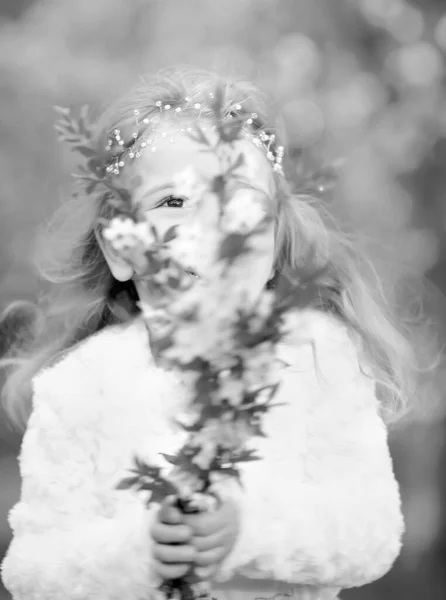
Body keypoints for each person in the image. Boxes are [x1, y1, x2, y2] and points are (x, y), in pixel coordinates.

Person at [0, 66, 421, 600]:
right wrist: (140, 552)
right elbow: (32, 569)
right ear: (120, 247)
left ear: (273, 242)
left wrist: (248, 529)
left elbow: (373, 533)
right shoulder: (80, 387)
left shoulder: (317, 361)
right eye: (173, 202)